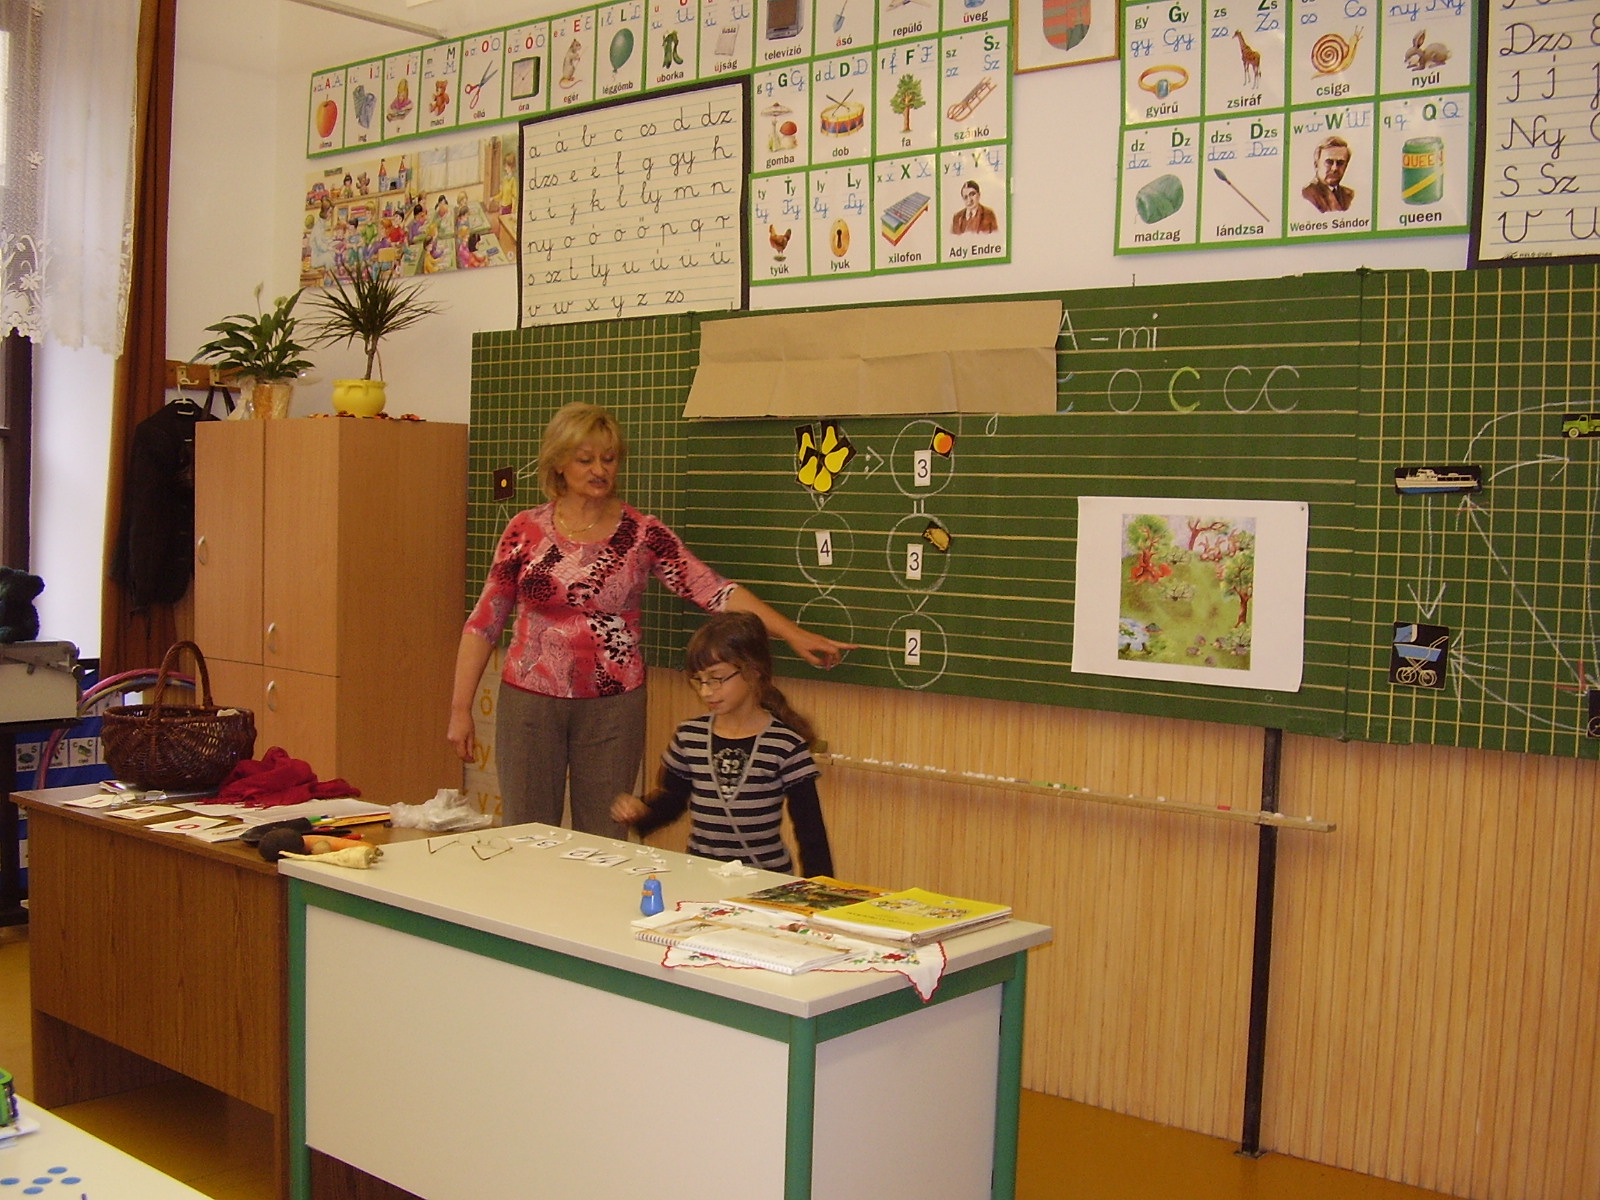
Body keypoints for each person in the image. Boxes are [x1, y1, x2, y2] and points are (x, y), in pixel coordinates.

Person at [448, 402, 854, 836]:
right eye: (585, 460)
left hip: (613, 706)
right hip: (530, 700)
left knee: (605, 835)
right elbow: (484, 622)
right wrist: (460, 709)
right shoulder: (525, 529)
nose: (599, 470)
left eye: (609, 458)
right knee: (527, 833)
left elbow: (712, 589)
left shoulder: (642, 533)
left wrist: (792, 634)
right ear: (559, 463)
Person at [611, 611, 833, 875]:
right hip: (702, 878)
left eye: (716, 679)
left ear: (752, 671)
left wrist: (821, 890)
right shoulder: (689, 737)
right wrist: (642, 811)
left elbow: (811, 834)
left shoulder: (785, 745)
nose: (706, 691)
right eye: (699, 680)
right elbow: (672, 802)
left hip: (765, 882)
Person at [1301, 136, 1353, 213]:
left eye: (1340, 163)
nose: (1334, 168)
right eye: (1329, 162)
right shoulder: (1307, 194)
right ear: (1316, 165)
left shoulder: (1350, 195)